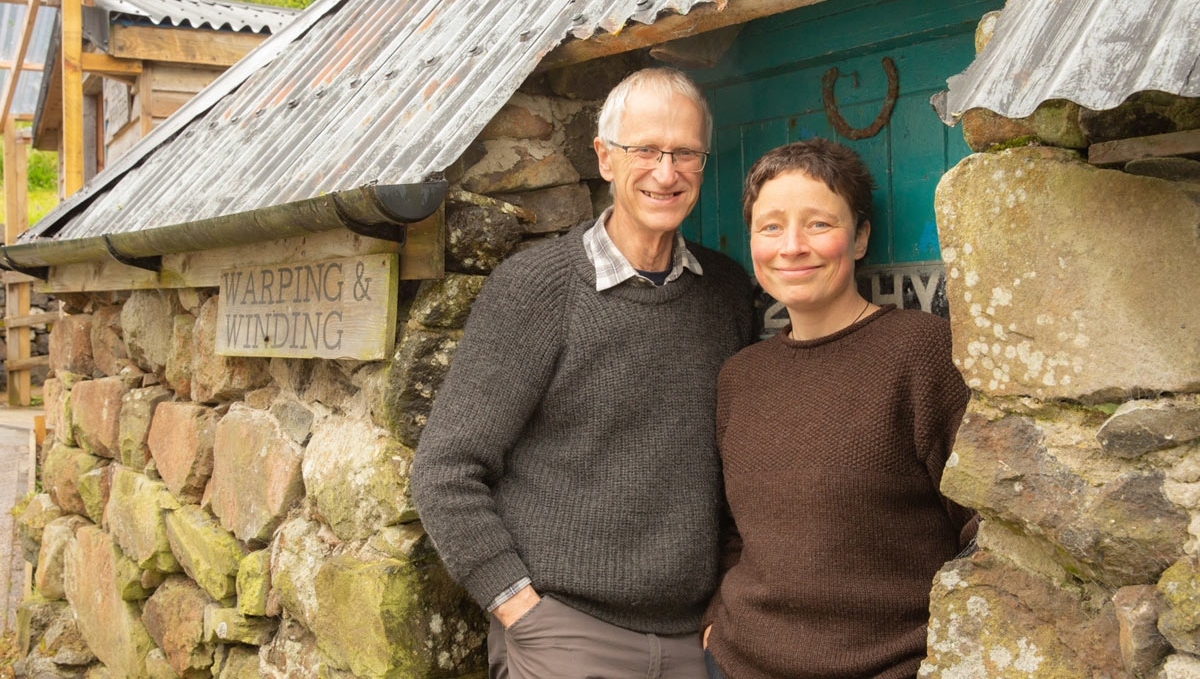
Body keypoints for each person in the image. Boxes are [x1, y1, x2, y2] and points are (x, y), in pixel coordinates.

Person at [411, 67, 754, 679]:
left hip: (695, 642)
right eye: (645, 149)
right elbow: (445, 470)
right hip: (566, 636)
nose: (666, 172)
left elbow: (737, 468)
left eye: (685, 153)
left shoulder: (727, 291)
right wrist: (523, 613)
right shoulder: (537, 289)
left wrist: (724, 601)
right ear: (604, 157)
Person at [701, 138, 978, 679]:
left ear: (860, 237)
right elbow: (737, 529)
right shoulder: (741, 375)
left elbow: (984, 526)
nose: (792, 246)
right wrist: (716, 620)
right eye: (771, 226)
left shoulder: (920, 353)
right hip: (737, 663)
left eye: (819, 224)